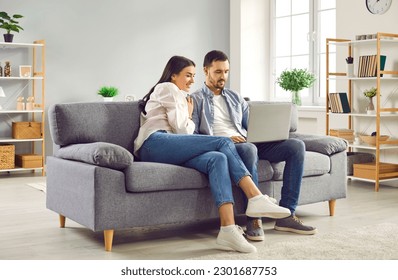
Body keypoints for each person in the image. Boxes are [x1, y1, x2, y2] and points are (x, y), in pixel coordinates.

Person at [134, 55, 291, 253]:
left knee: (218, 158)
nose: (192, 80)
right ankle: (255, 196)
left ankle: (227, 229)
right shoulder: (168, 88)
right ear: (173, 75)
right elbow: (183, 130)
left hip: (174, 147)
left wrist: (187, 114)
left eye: (193, 75)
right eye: (188, 75)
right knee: (224, 141)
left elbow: (184, 134)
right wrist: (189, 114)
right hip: (154, 144)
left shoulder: (182, 95)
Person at [190, 50, 317, 242]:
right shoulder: (196, 99)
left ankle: (287, 215)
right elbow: (193, 135)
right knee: (250, 149)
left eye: (226, 71)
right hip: (224, 146)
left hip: (247, 141)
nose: (223, 76)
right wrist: (225, 140)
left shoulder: (235, 97)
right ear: (205, 71)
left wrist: (270, 133)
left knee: (296, 146)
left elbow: (252, 125)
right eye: (218, 72)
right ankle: (254, 219)